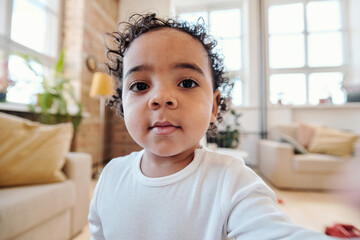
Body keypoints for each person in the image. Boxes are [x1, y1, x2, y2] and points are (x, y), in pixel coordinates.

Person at [88, 13, 339, 240]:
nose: (161, 97)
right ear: (122, 103)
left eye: (186, 83)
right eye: (140, 86)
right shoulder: (111, 176)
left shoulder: (232, 181)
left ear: (213, 107)